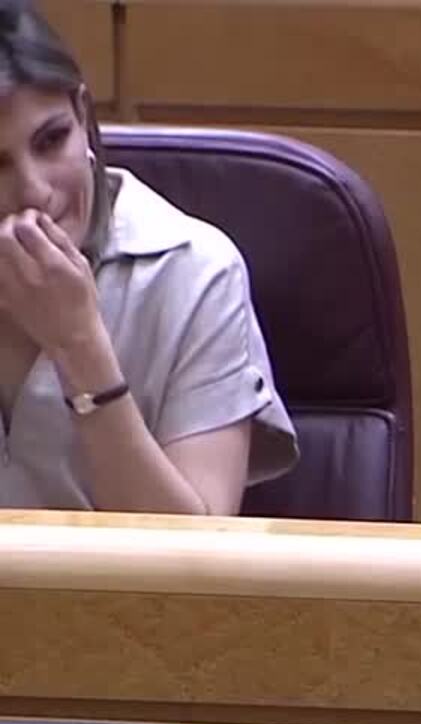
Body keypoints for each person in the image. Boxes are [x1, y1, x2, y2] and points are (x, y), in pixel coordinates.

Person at [0, 0, 295, 513]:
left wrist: (78, 345)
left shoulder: (196, 272)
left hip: (125, 573)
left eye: (51, 141)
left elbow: (193, 555)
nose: (34, 191)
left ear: (83, 116)